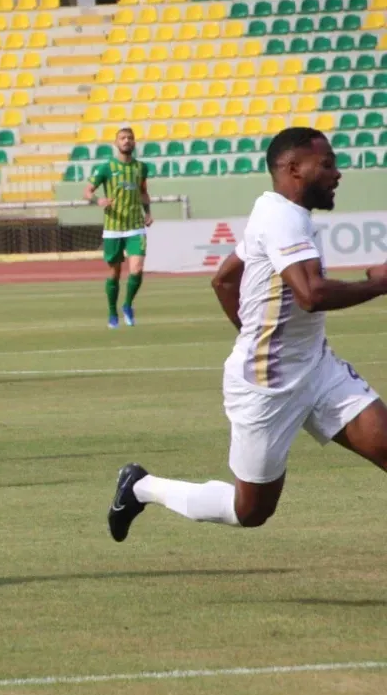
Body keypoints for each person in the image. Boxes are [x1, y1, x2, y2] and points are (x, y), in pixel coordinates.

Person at [108, 128, 387, 541]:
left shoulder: (275, 211)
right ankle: (140, 487)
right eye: (327, 164)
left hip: (317, 370)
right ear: (294, 169)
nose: (337, 173)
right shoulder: (281, 218)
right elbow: (310, 295)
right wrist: (381, 284)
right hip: (267, 388)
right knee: (249, 510)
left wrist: (260, 339)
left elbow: (224, 280)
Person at [84, 127, 152, 329]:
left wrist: (147, 212)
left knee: (137, 269)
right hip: (113, 228)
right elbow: (87, 191)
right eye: (122, 138)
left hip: (135, 227)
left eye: (130, 138)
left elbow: (143, 193)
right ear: (116, 143)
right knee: (115, 272)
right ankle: (112, 311)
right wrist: (98, 200)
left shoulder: (141, 168)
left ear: (134, 143)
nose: (127, 141)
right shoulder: (106, 168)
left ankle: (128, 305)